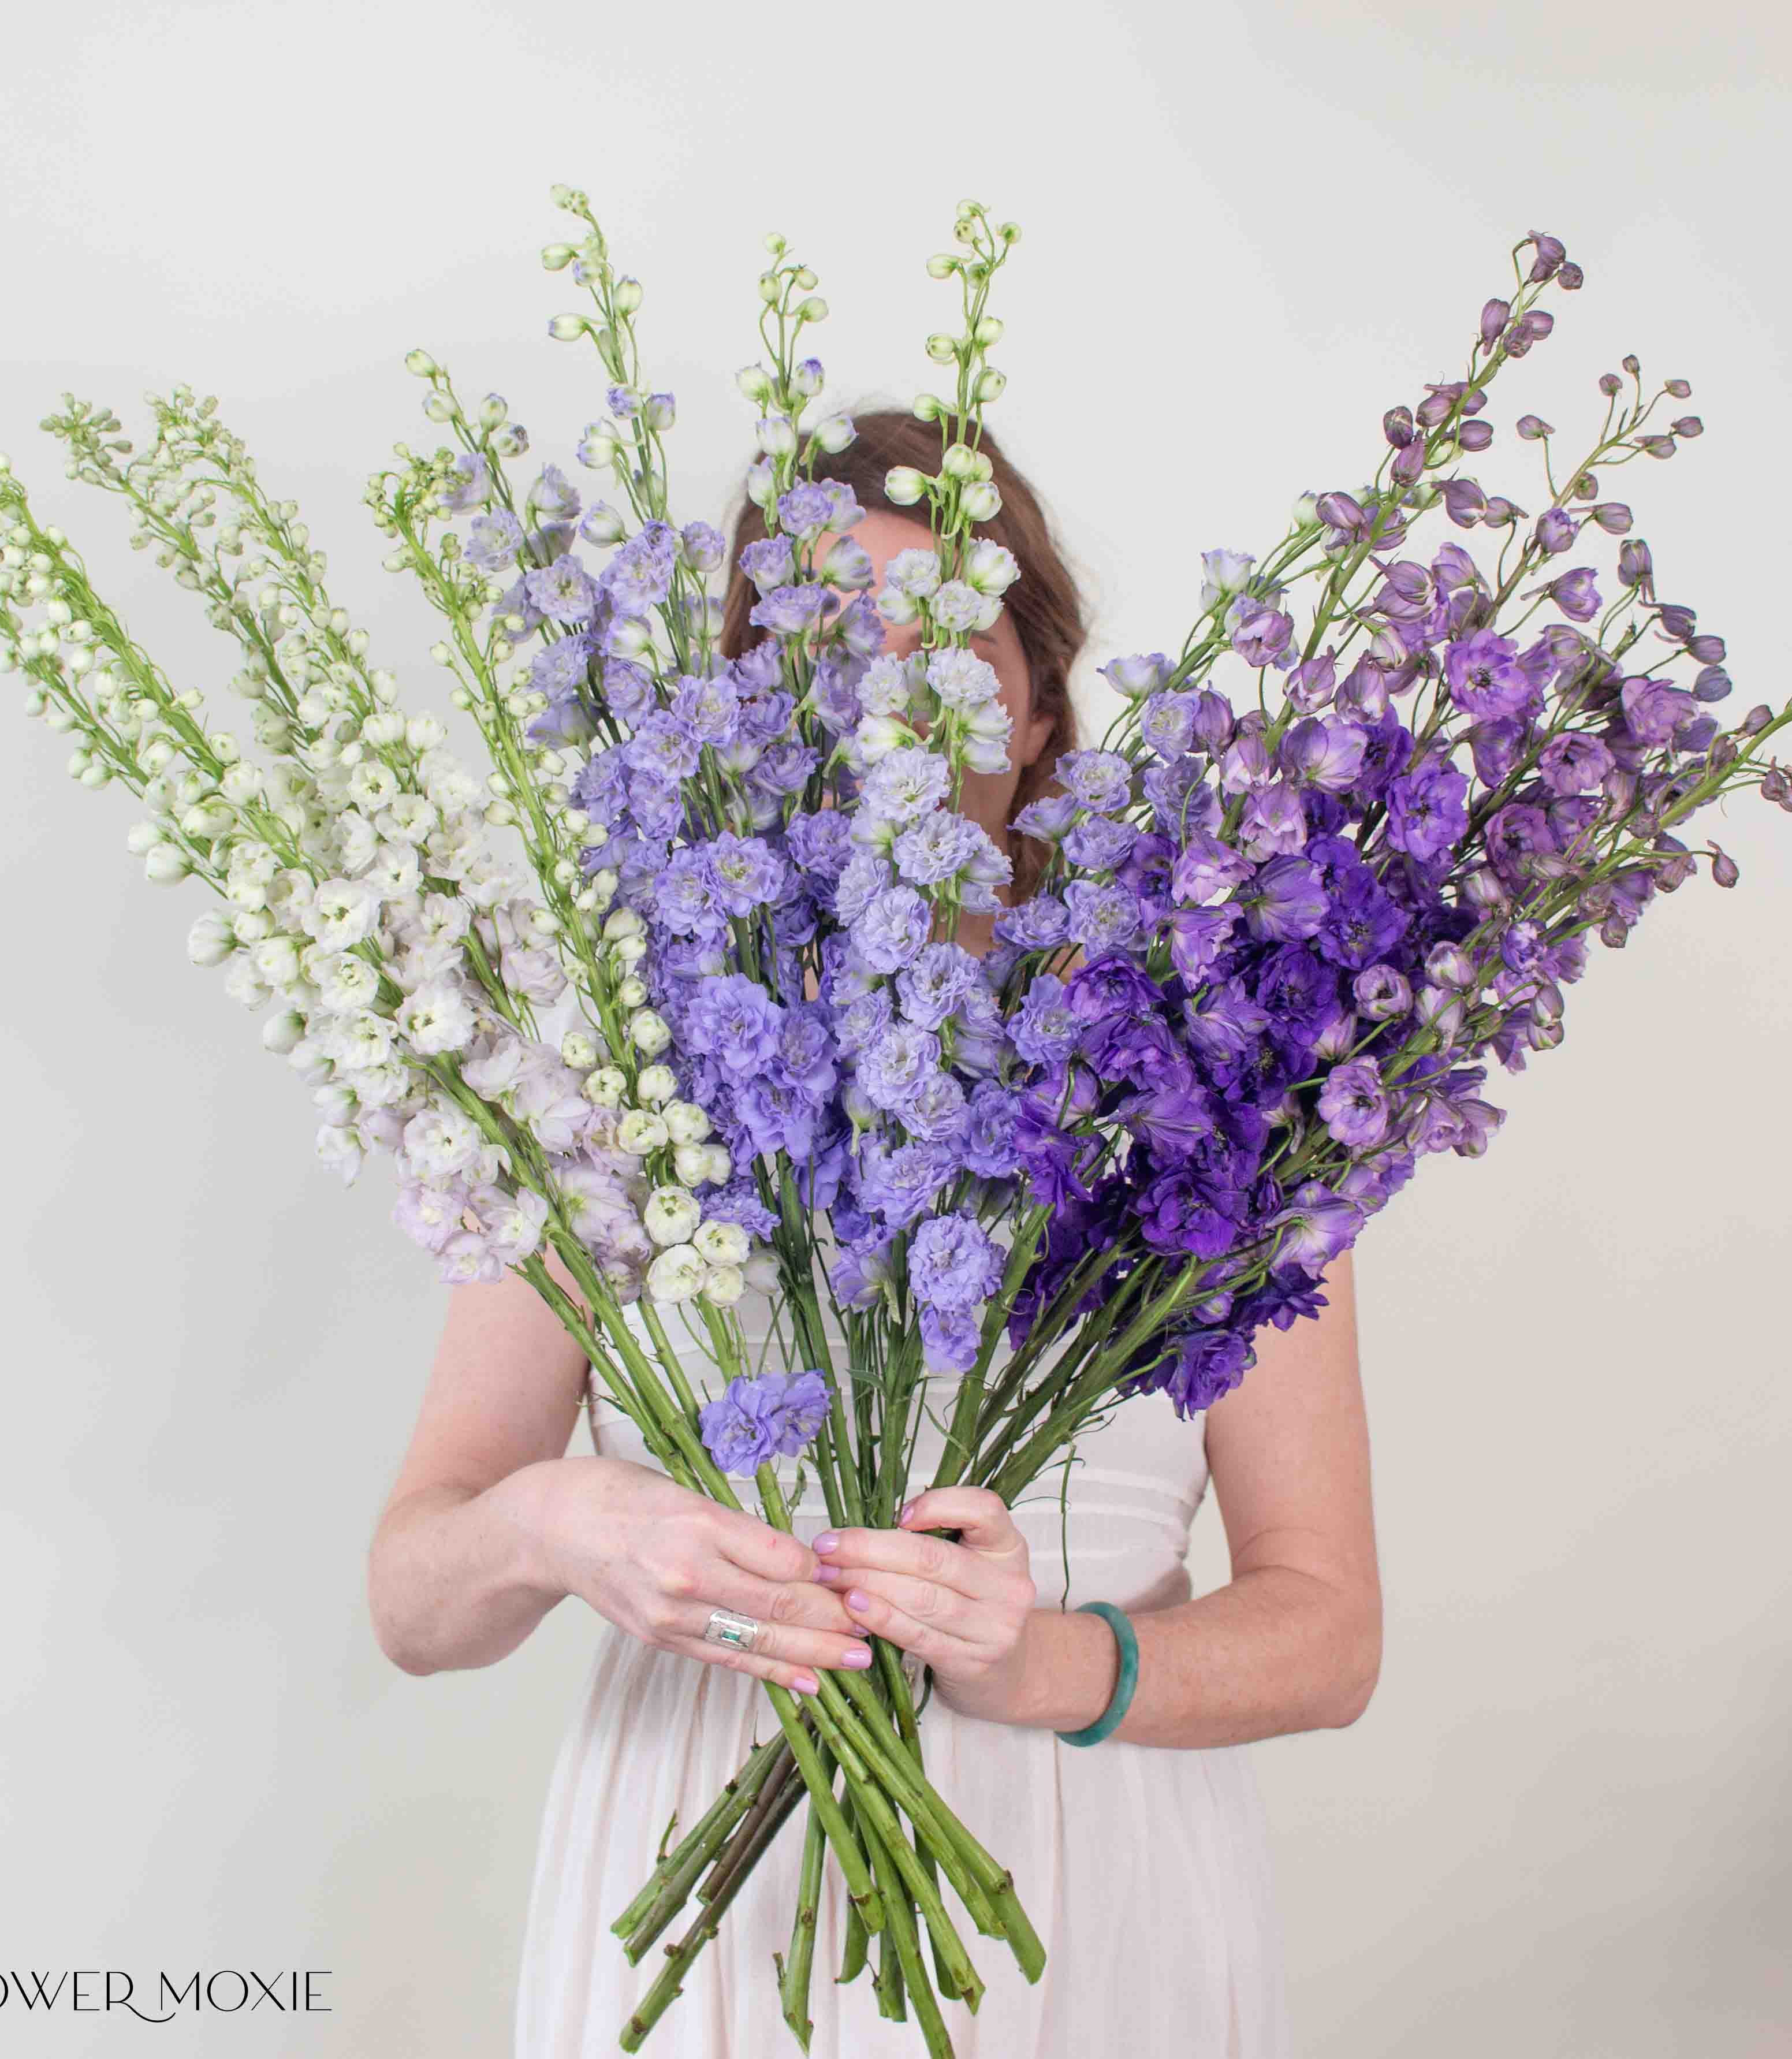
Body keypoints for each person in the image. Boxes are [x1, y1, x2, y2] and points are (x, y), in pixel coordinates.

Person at [367, 410, 1383, 2058]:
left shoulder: (1216, 1082)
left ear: (1042, 700)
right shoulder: (615, 1071)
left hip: (1089, 1897)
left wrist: (1043, 1664)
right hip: (694, 1887)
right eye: (821, 648)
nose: (885, 699)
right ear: (741, 710)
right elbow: (414, 1600)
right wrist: (556, 1526)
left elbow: (1329, 1629)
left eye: (942, 645)